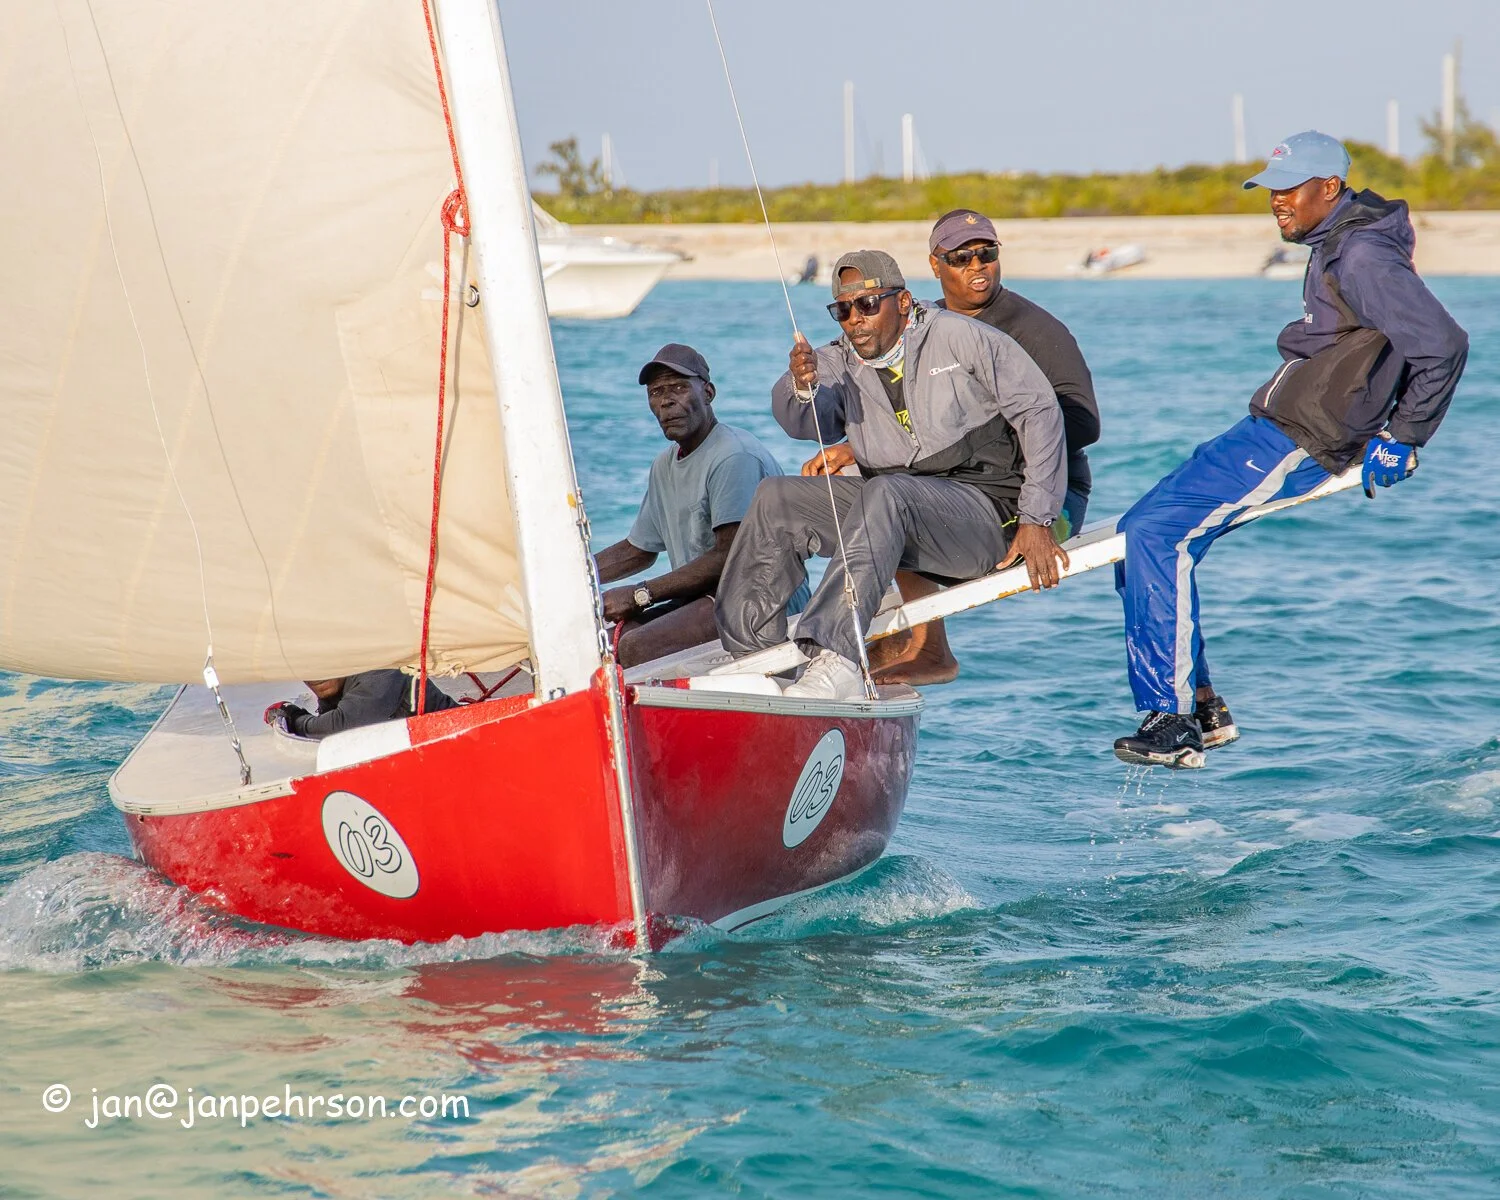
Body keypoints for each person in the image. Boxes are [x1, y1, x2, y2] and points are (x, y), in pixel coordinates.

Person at [1112, 131, 1468, 768]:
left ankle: (1173, 721)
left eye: (1289, 189)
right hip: (1276, 424)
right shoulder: (1339, 240)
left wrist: (1403, 436)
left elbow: (1443, 343)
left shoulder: (1362, 254)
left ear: (1329, 187)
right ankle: (1202, 708)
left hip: (1304, 435)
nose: (1277, 201)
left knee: (1157, 535)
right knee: (1136, 538)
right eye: (1271, 190)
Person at [714, 250, 1070, 701]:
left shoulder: (962, 337)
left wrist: (1037, 519)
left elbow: (1040, 412)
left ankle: (838, 656)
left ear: (902, 302)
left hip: (986, 517)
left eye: (867, 305)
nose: (855, 320)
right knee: (776, 497)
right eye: (842, 310)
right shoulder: (839, 359)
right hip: (899, 512)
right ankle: (751, 657)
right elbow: (805, 423)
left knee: (886, 492)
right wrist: (800, 387)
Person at [806, 209, 1102, 685]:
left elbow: (1084, 425)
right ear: (935, 265)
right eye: (960, 258)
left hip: (1047, 493)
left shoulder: (1035, 329)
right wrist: (860, 446)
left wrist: (986, 455)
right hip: (957, 478)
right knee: (868, 477)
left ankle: (923, 644)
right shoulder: (920, 323)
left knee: (904, 486)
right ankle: (917, 639)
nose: (976, 266)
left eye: (986, 254)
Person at [594, 343, 808, 668]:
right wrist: (578, 573)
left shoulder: (734, 456)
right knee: (604, 644)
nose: (666, 401)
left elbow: (729, 557)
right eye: (656, 392)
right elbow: (640, 550)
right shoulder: (664, 464)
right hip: (704, 598)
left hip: (762, 600)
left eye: (679, 388)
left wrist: (640, 594)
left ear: (708, 393)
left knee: (637, 646)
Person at [266, 670, 458, 740]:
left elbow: (341, 726)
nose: (315, 676)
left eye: (323, 664)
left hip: (459, 741)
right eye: (304, 668)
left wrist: (294, 718)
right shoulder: (339, 687)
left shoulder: (382, 672)